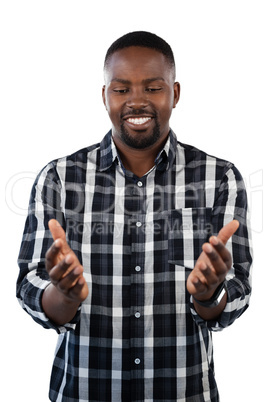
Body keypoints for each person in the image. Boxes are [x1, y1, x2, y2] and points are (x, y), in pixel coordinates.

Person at [17, 31, 253, 402]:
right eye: (122, 89)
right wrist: (64, 296)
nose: (137, 101)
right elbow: (30, 284)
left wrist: (210, 294)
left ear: (174, 93)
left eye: (153, 88)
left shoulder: (218, 178)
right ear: (104, 96)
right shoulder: (60, 178)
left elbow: (237, 290)